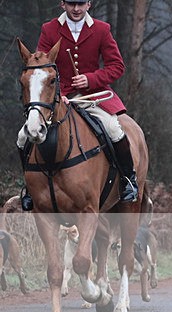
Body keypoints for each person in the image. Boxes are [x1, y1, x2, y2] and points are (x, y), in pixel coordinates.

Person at [20, 0, 138, 208]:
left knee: (114, 129)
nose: (76, 9)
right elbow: (39, 67)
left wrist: (90, 79)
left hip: (93, 96)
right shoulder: (49, 29)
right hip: (57, 100)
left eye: (81, 3)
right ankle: (29, 189)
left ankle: (128, 181)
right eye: (72, 3)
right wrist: (60, 93)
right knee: (24, 136)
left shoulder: (102, 29)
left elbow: (116, 66)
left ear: (89, 4)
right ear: (62, 4)